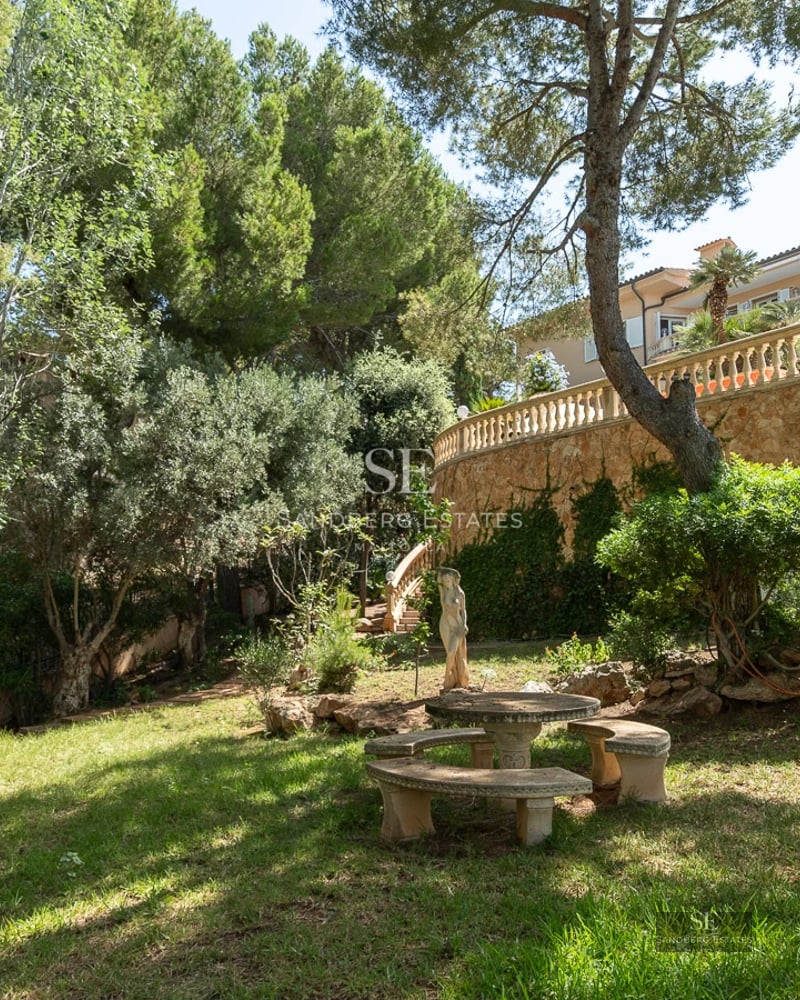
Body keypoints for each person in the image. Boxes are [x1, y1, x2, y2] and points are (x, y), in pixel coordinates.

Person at [437, 567, 469, 690]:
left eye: (448, 580)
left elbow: (463, 610)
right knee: (448, 651)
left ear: (453, 580)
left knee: (453, 652)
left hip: (457, 626)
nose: (446, 583)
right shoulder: (443, 592)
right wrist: (441, 572)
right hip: (445, 624)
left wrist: (464, 624)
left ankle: (452, 677)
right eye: (444, 581)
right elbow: (438, 578)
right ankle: (449, 680)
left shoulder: (460, 594)